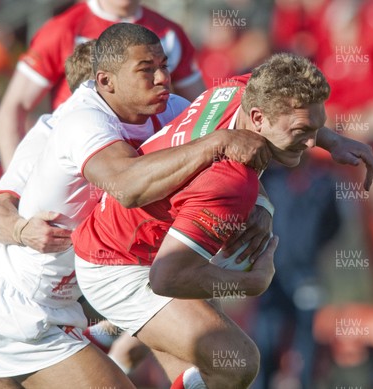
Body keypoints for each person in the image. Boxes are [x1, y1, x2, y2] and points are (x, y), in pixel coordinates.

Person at [0, 23, 271, 389]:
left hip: (104, 278)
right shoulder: (60, 130)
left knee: (221, 361)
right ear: (103, 84)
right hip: (25, 300)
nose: (163, 79)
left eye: (163, 66)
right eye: (146, 71)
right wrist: (23, 230)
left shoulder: (166, 112)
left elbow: (249, 128)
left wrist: (260, 202)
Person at [71, 53, 337, 389]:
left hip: (120, 238)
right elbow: (167, 278)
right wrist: (251, 283)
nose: (313, 142)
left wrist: (337, 141)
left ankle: (106, 336)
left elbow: (275, 86)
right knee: (237, 363)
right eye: (303, 131)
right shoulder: (231, 184)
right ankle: (101, 337)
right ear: (257, 118)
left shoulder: (234, 92)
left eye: (318, 127)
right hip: (121, 265)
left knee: (196, 362)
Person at [0, 0, 206, 169]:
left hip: (145, 168)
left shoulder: (169, 33)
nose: (159, 76)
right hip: (79, 168)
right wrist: (15, 185)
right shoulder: (63, 29)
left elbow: (202, 107)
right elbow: (14, 108)